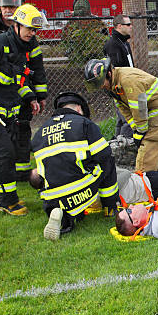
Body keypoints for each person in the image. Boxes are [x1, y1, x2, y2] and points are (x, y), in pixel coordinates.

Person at [30, 92, 119, 240]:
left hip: (51, 197)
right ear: (78, 109)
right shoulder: (84, 124)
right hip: (79, 190)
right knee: (107, 162)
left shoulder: (39, 133)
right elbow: (104, 155)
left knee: (64, 176)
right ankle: (110, 207)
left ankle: (63, 217)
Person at [0, 4, 45, 215]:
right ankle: (7, 201)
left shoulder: (22, 48)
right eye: (29, 29)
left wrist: (32, 98)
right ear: (16, 25)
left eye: (35, 30)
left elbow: (17, 81)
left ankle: (0, 197)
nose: (32, 34)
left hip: (7, 111)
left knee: (4, 153)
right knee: (5, 153)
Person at [84, 58, 158, 172]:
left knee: (148, 146)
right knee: (153, 150)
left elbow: (139, 108)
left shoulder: (127, 80)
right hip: (150, 107)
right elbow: (124, 109)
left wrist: (141, 132)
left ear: (109, 73)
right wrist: (135, 129)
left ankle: (143, 180)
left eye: (101, 82)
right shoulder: (113, 84)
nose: (101, 86)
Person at [104, 14, 134, 139]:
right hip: (121, 89)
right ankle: (125, 147)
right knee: (128, 119)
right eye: (128, 24)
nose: (131, 27)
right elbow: (115, 71)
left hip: (128, 85)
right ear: (119, 26)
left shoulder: (124, 42)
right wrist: (119, 91)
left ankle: (117, 144)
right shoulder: (113, 45)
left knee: (122, 119)